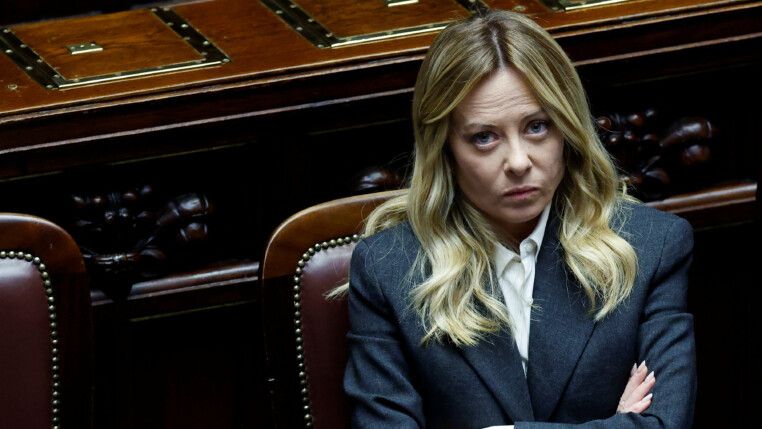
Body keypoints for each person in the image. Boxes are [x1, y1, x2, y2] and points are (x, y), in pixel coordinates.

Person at [341, 9, 696, 429]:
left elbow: (663, 425)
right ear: (445, 149)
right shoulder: (388, 269)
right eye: (484, 137)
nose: (518, 161)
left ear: (567, 129)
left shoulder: (651, 245)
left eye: (537, 127)